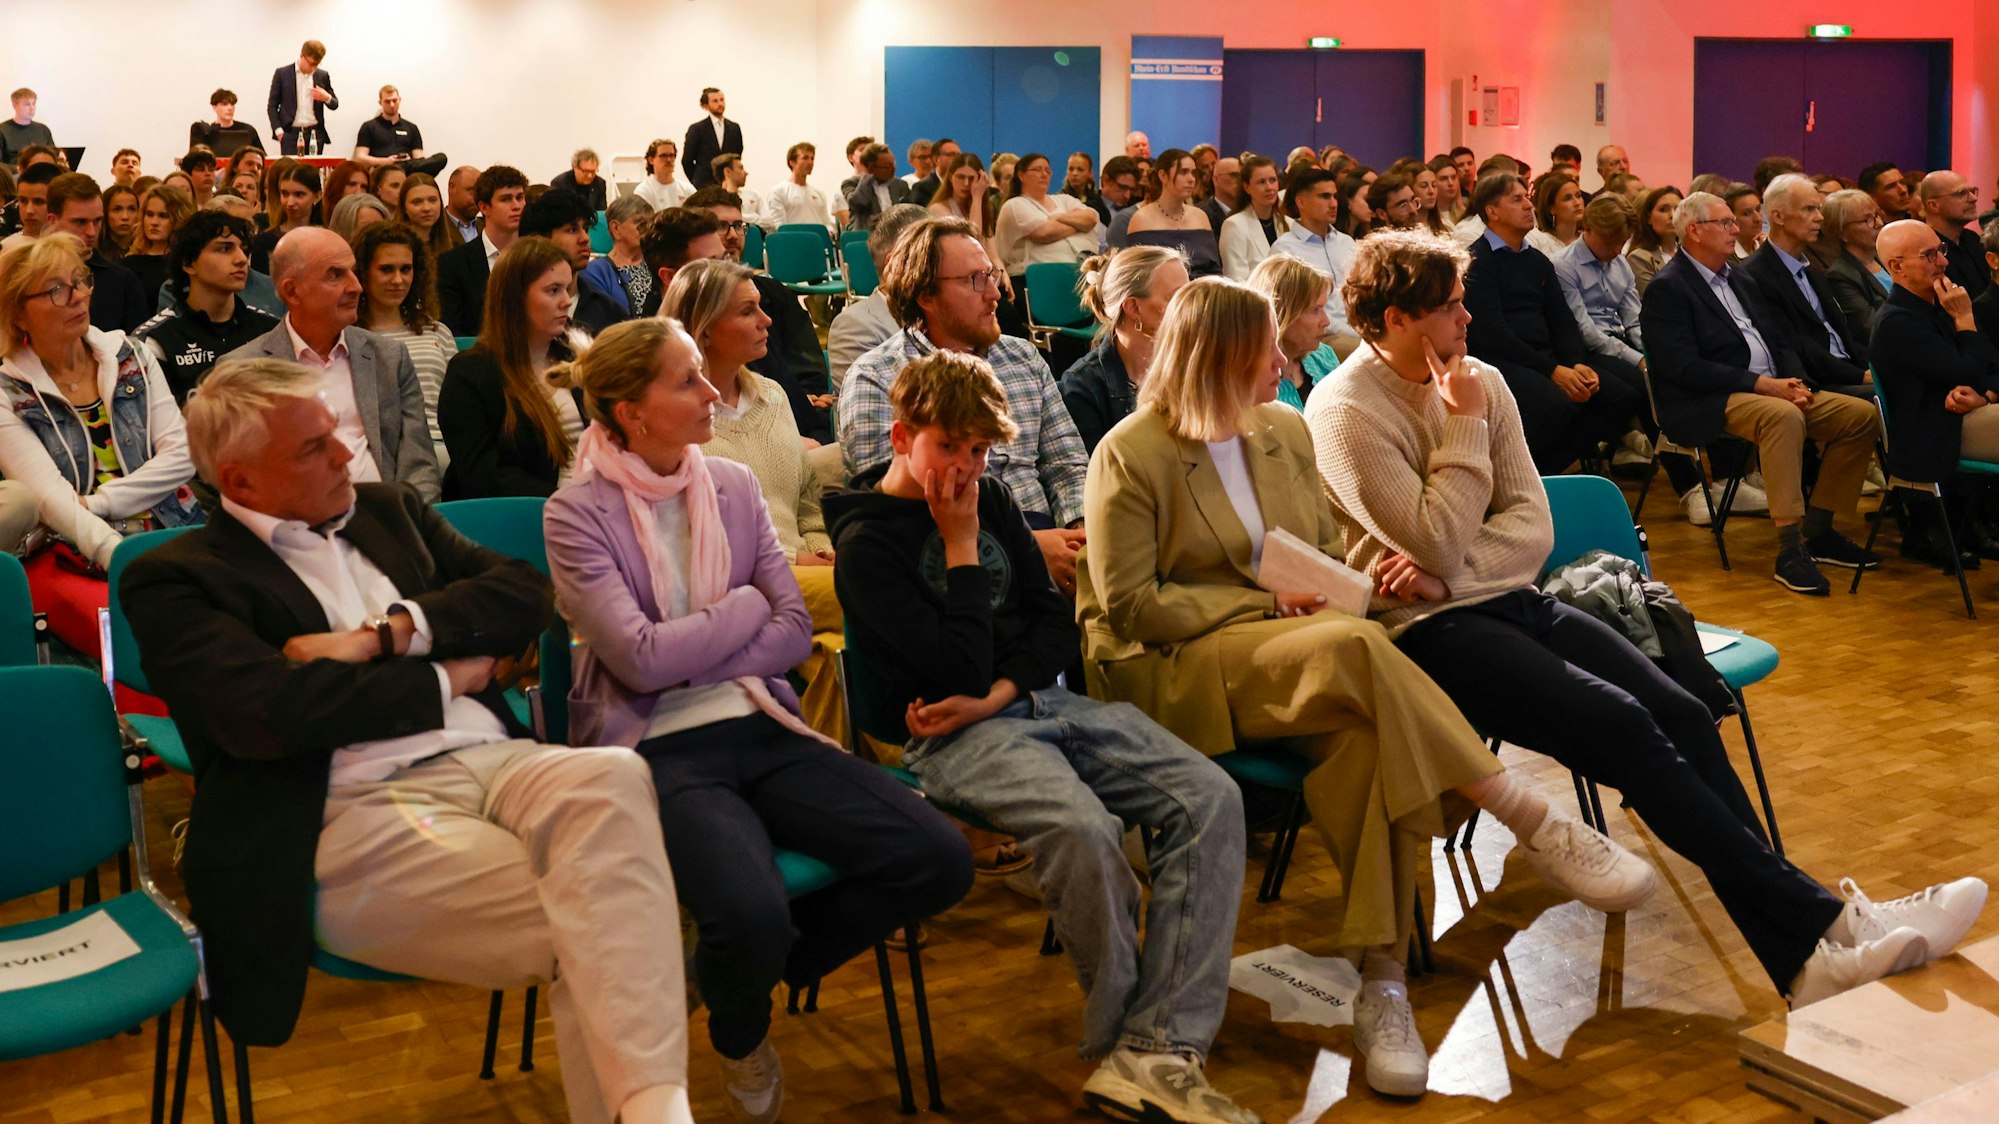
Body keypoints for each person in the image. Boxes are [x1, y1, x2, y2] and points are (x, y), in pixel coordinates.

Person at [1305, 228, 1987, 1023]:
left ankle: (1802, 963)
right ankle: (1826, 926)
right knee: (1621, 722)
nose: (1467, 322)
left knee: (1684, 711)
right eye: (1449, 309)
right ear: (1394, 318)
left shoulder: (1480, 378)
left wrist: (1450, 559)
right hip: (1424, 633)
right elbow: (1433, 539)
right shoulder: (1346, 408)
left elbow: (1528, 528)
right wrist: (1456, 448)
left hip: (1503, 598)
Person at [1081, 275, 1655, 1101]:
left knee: (1368, 742)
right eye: (1266, 351)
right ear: (1215, 360)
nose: (1286, 363)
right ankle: (1528, 816)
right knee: (1354, 648)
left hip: (1297, 650)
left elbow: (1317, 555)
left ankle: (1382, 985)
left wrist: (1373, 577)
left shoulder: (1279, 431)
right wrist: (1268, 600)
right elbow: (1129, 606)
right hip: (1174, 664)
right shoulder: (1130, 453)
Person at [122, 356, 697, 1124]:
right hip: (346, 812)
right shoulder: (178, 576)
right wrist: (447, 677)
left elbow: (523, 593)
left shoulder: (385, 510)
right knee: (618, 917)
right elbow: (272, 713)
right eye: (312, 449)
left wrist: (386, 636)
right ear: (241, 480)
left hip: (496, 762)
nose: (344, 456)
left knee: (612, 779)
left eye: (334, 434)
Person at [535, 314, 965, 1121]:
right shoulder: (574, 512)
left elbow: (793, 633)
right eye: (686, 380)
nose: (709, 394)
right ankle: (740, 1026)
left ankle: (746, 964)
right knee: (748, 910)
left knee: (938, 858)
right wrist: (739, 614)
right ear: (631, 411)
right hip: (654, 746)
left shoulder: (726, 485)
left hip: (760, 719)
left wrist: (697, 645)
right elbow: (637, 664)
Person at [827, 346, 1257, 1124]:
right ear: (899, 437)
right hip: (947, 740)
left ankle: (1155, 1046)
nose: (962, 468)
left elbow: (1055, 626)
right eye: (945, 446)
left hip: (1030, 704)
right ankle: (1133, 1042)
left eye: (978, 450)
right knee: (1082, 829)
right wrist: (958, 547)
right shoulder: (869, 545)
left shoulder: (989, 499)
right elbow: (947, 668)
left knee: (1209, 797)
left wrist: (995, 688)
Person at [1639, 191, 1881, 594]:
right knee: (1782, 417)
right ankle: (1789, 549)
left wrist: (1794, 381)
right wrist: (1763, 385)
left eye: (1734, 221)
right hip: (1710, 398)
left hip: (1772, 389)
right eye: (1726, 223)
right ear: (1694, 231)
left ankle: (1820, 529)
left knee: (1860, 415)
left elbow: (1780, 341)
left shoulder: (1740, 276)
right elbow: (1682, 367)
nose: (1737, 229)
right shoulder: (1670, 287)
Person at [840, 218, 1089, 593]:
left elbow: (1066, 465)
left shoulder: (1022, 357)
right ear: (926, 295)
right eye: (975, 280)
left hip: (1052, 536)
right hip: (953, 559)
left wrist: (1081, 533)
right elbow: (892, 514)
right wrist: (1028, 549)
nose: (995, 293)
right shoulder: (877, 377)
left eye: (991, 274)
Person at [659, 257, 849, 736]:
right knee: (872, 595)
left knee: (832, 651)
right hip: (732, 580)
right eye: (747, 312)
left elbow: (805, 497)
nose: (767, 321)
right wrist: (799, 560)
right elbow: (689, 527)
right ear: (702, 330)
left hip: (802, 569)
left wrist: (819, 544)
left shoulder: (773, 395)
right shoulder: (673, 416)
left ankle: (834, 762)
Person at [0, 234, 202, 653]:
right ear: (19, 314)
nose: (77, 296)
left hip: (170, 523)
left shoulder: (130, 354)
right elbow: (50, 499)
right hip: (70, 548)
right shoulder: (7, 391)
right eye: (56, 290)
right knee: (148, 628)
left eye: (80, 280)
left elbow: (183, 454)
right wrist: (119, 556)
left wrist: (98, 501)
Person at [223, 227, 442, 500]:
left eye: (353, 271)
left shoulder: (388, 357)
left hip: (388, 521)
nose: (356, 287)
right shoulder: (244, 370)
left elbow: (419, 464)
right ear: (292, 292)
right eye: (336, 275)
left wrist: (406, 526)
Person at [1463, 171, 1641, 475]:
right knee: (1555, 405)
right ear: (1492, 211)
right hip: (1503, 360)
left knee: (1622, 397)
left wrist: (1576, 363)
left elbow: (1562, 320)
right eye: (1516, 200)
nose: (1529, 206)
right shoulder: (1478, 261)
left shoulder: (1537, 261)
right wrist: (1553, 371)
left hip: (1548, 358)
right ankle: (1518, 476)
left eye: (1527, 198)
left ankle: (1540, 470)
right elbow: (1493, 334)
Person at [1871, 219, 1999, 567]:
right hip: (1934, 430)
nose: (1943, 262)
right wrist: (1965, 319)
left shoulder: (1937, 302)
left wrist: (1986, 395)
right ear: (1897, 267)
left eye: (1941, 250)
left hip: (1970, 414)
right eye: (1929, 255)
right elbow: (1968, 371)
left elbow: (1991, 365)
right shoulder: (1899, 321)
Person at [680, 188, 835, 446]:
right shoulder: (691, 310)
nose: (732, 236)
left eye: (738, 225)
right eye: (721, 226)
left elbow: (807, 359)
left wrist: (806, 393)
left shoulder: (775, 294)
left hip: (800, 414)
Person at [438, 237, 582, 499]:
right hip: (527, 517)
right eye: (553, 291)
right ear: (514, 299)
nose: (566, 301)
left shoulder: (578, 355)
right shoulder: (471, 374)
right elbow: (483, 477)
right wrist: (569, 503)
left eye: (567, 289)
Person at [1741, 174, 1871, 397]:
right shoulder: (1754, 274)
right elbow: (1797, 345)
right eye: (1809, 209)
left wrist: (1873, 369)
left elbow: (1844, 333)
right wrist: (1859, 376)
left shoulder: (1812, 270)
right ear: (1778, 216)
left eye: (1819, 209)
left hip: (1849, 369)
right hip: (1814, 382)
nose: (1819, 218)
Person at [134, 209, 280, 403]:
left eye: (242, 249)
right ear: (188, 263)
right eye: (224, 249)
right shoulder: (156, 339)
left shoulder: (269, 329)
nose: (241, 259)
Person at [1058, 245, 1190, 451]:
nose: (1190, 306)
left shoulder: (1193, 364)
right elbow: (1097, 471)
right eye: (1176, 297)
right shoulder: (1083, 386)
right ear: (1133, 308)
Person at [352, 221, 455, 457]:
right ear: (363, 273)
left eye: (406, 269)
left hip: (443, 443)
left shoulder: (436, 331)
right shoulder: (348, 337)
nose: (398, 280)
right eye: (386, 269)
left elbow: (458, 404)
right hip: (382, 448)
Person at [827, 203, 929, 391]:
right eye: (933, 255)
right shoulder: (855, 326)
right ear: (896, 264)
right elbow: (875, 410)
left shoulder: (947, 311)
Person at [1271, 168, 1363, 359]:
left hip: (1358, 330)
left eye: (1335, 197)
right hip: (1319, 338)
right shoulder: (1286, 250)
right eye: (1324, 197)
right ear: (1301, 202)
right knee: (1375, 356)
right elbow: (1292, 313)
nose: (1333, 204)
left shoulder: (1346, 243)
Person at [43, 174, 149, 334]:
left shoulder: (122, 280)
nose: (91, 232)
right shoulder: (29, 277)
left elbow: (138, 347)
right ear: (52, 221)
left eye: (98, 221)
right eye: (80, 222)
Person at [436, 165, 527, 337]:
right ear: (484, 208)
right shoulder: (453, 264)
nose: (517, 206)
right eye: (506, 199)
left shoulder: (539, 257)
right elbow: (454, 331)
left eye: (520, 197)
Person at [519, 188, 624, 336]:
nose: (585, 239)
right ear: (540, 238)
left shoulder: (609, 311)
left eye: (586, 229)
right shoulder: (514, 306)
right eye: (571, 230)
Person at [994, 153, 1099, 296]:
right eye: (1038, 170)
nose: (1044, 174)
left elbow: (1091, 219)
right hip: (1035, 281)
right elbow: (1044, 233)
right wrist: (1077, 225)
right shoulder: (1014, 205)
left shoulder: (1064, 200)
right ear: (1021, 175)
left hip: (1079, 275)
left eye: (1047, 170)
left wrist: (1058, 217)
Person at [1246, 253, 1339, 410]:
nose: (1326, 321)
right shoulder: (1251, 380)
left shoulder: (1324, 355)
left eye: (1324, 308)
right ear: (1281, 314)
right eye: (1315, 310)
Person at [1124, 149, 1221, 279]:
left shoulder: (1200, 216)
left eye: (1193, 173)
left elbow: (1214, 269)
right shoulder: (1141, 219)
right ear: (1163, 176)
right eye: (1183, 172)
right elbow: (1137, 275)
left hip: (1203, 293)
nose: (1191, 179)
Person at [1822, 189, 1890, 329]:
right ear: (1842, 233)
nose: (1879, 223)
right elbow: (1872, 329)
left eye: (1877, 215)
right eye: (1868, 220)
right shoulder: (1841, 276)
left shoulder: (1889, 256)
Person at [1916, 170, 1988, 300]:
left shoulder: (1972, 239)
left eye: (1973, 191)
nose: (1973, 198)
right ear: (1934, 205)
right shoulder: (1924, 251)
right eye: (1961, 193)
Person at [581, 195, 656, 318]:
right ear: (615, 228)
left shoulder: (658, 264)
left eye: (651, 223)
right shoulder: (595, 272)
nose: (648, 229)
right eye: (641, 224)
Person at [352, 85, 447, 178]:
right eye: (387, 101)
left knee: (441, 158)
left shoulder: (411, 128)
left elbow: (419, 159)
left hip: (409, 170)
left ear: (399, 100)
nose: (392, 105)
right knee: (395, 168)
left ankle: (402, 166)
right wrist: (387, 161)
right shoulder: (369, 126)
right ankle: (398, 167)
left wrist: (409, 160)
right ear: (380, 102)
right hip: (383, 171)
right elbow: (360, 158)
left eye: (394, 100)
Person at [1220, 154, 1289, 282]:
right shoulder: (1234, 225)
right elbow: (1236, 279)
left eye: (1273, 180)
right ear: (1247, 187)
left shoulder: (1289, 224)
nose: (1269, 188)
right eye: (1261, 182)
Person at [266, 39, 339, 155]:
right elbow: (272, 106)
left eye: (316, 65)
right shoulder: (282, 74)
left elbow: (335, 104)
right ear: (302, 55)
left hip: (315, 134)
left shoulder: (322, 75)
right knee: (290, 171)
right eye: (310, 64)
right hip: (290, 134)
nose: (313, 69)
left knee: (313, 172)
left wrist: (327, 98)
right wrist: (279, 131)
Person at [124, 182, 194, 299]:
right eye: (149, 214)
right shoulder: (128, 265)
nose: (154, 222)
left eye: (163, 216)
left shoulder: (189, 264)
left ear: (179, 218)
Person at [249, 163, 318, 272]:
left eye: (299, 195)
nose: (290, 203)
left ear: (317, 196)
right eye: (285, 194)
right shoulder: (264, 241)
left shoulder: (326, 238)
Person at [764, 142, 836, 233]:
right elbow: (779, 226)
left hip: (817, 243)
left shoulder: (819, 194)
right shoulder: (778, 191)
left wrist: (830, 230)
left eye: (812, 158)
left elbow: (826, 222)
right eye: (805, 158)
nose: (810, 162)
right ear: (792, 162)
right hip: (793, 242)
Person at [680, 87, 741, 190]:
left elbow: (737, 155)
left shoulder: (734, 128)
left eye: (722, 100)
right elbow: (687, 160)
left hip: (728, 184)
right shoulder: (697, 129)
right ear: (706, 105)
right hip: (704, 185)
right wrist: (696, 181)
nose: (720, 104)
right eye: (715, 101)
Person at [1627, 186, 1683, 295]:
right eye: (1663, 209)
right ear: (1648, 218)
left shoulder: (1692, 254)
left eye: (1678, 209)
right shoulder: (1639, 258)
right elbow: (1656, 299)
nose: (1672, 215)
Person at [843, 143, 911, 232]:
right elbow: (857, 202)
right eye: (887, 167)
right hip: (867, 237)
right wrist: (867, 178)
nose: (893, 169)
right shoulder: (851, 184)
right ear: (871, 168)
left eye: (893, 164)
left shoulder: (900, 185)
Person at [394, 171, 455, 260]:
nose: (426, 208)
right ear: (404, 208)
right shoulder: (393, 248)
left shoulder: (453, 248)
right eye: (417, 202)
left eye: (432, 200)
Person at [190, 89, 265, 159]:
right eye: (224, 104)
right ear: (214, 107)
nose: (230, 108)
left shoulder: (248, 130)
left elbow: (263, 157)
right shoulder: (206, 132)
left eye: (232, 104)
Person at [0, 162, 59, 249]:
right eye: (23, 201)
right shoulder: (5, 248)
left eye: (38, 202)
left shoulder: (77, 247)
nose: (29, 210)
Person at [1526, 172, 1584, 257]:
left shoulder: (1589, 240)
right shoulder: (1537, 240)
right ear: (1551, 208)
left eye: (1578, 196)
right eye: (1567, 198)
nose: (1577, 203)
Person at [635, 138, 693, 212]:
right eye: (663, 156)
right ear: (651, 160)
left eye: (672, 156)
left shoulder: (687, 189)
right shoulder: (643, 191)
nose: (669, 160)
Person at [0, 89, 54, 167]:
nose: (32, 108)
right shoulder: (3, 130)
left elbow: (53, 156)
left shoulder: (43, 129)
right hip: (15, 175)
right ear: (15, 105)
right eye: (27, 104)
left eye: (34, 104)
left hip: (42, 173)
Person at [711, 154, 764, 230]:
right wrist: (754, 216)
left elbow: (769, 222)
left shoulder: (754, 195)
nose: (746, 173)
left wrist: (740, 218)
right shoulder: (714, 199)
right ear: (728, 171)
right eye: (741, 168)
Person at [551, 148, 609, 213]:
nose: (590, 176)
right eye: (586, 171)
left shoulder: (599, 183)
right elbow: (556, 213)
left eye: (593, 171)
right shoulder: (560, 183)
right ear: (575, 167)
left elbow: (601, 212)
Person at [1092, 155, 1140, 229]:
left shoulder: (1137, 210)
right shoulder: (1087, 208)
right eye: (1122, 187)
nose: (1127, 196)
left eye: (1132, 190)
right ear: (1106, 180)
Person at [1725, 184, 1764, 260]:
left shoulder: (1764, 246)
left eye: (1758, 209)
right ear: (1731, 219)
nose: (1758, 218)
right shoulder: (1726, 257)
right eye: (1747, 213)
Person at [444, 164, 481, 243]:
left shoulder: (489, 228)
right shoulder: (436, 228)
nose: (477, 198)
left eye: (480, 192)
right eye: (471, 191)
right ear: (452, 187)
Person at [102, 183, 140, 255]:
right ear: (105, 212)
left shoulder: (146, 251)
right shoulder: (94, 253)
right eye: (117, 210)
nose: (125, 217)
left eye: (131, 209)